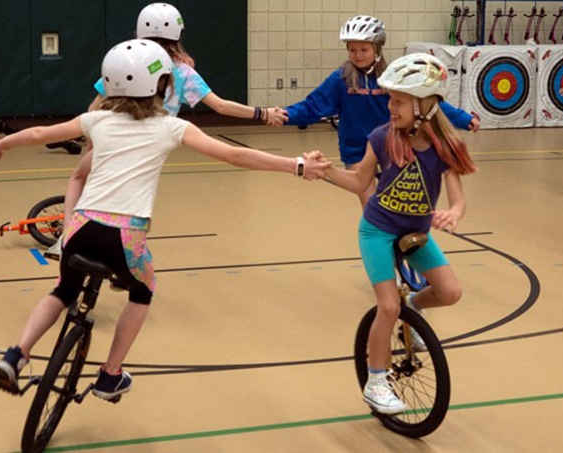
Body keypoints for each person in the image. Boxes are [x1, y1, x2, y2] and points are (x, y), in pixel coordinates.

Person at [0, 39, 330, 400]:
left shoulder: (97, 120)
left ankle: (17, 354)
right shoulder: (171, 127)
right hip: (124, 237)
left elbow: (42, 134)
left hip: (80, 228)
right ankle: (110, 375)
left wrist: (6, 142)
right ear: (163, 86)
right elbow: (233, 155)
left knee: (62, 291)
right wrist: (296, 165)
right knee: (143, 290)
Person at [47, 2, 286, 259]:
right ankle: (125, 256)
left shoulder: (127, 60)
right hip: (150, 145)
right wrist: (263, 113)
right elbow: (220, 105)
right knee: (131, 200)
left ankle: (66, 238)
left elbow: (94, 107)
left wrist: (92, 140)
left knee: (80, 179)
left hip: (113, 137)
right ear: (177, 34)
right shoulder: (183, 72)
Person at [313, 53, 477, 414]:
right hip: (377, 231)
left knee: (450, 292)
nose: (390, 106)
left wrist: (453, 213)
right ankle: (375, 382)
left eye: (399, 100)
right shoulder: (383, 137)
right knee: (387, 306)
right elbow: (359, 180)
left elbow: (459, 200)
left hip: (417, 231)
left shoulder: (445, 148)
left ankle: (414, 306)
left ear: (425, 106)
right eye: (390, 98)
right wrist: (324, 172)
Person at [272, 15, 479, 207]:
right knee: (373, 208)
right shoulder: (341, 80)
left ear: (377, 49)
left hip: (393, 147)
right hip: (357, 153)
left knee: (398, 208)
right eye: (352, 50)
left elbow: (429, 105)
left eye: (364, 49)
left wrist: (463, 118)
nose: (358, 55)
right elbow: (313, 105)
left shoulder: (392, 77)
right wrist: (286, 115)